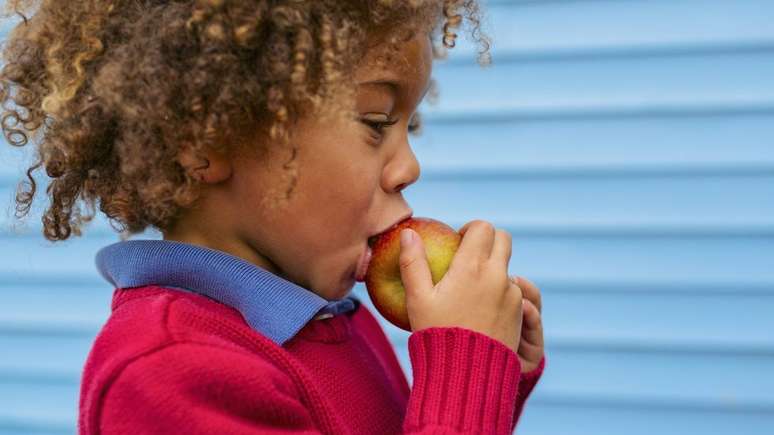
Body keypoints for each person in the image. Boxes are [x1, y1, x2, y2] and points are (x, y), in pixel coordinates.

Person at [0, 0, 545, 433]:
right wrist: (465, 367)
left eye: (409, 127)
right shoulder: (171, 371)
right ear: (207, 138)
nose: (409, 167)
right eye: (376, 122)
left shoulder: (334, 319)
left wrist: (491, 382)